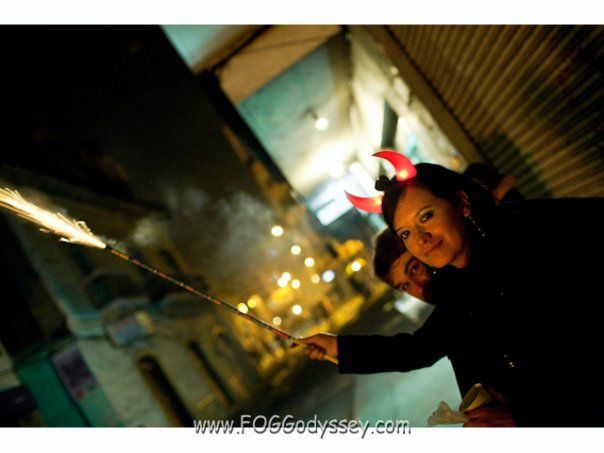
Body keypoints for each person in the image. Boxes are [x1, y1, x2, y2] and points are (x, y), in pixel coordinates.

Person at [300, 154, 604, 427]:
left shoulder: (528, 229)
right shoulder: (456, 288)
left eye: (426, 216)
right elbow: (418, 348)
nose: (421, 239)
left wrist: (525, 416)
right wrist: (337, 347)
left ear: (461, 202)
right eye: (405, 233)